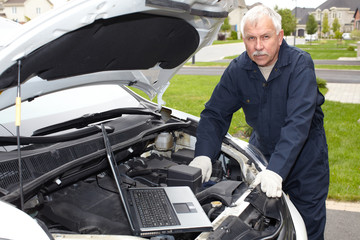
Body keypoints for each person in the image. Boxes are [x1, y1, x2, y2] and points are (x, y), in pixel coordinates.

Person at [189, 4, 329, 240]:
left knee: (308, 227)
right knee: (263, 226)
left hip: (305, 163)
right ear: (244, 39)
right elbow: (215, 113)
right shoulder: (238, 69)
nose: (258, 46)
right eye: (251, 38)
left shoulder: (300, 65)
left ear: (280, 36)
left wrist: (277, 171)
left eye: (265, 37)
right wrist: (204, 154)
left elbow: (298, 123)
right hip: (262, 158)